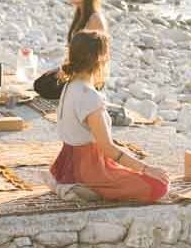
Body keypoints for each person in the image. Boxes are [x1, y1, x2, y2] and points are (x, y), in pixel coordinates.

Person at [50, 30, 168, 203]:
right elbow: (108, 149)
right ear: (100, 59)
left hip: (67, 162)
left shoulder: (70, 86)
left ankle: (75, 184)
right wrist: (146, 169)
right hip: (89, 169)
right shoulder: (89, 95)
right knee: (158, 186)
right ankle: (83, 188)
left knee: (138, 175)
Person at [34, 0, 108, 99]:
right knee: (41, 83)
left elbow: (96, 58)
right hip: (76, 70)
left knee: (45, 87)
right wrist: (61, 69)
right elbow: (75, 52)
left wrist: (67, 73)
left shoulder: (95, 19)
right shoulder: (80, 15)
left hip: (88, 76)